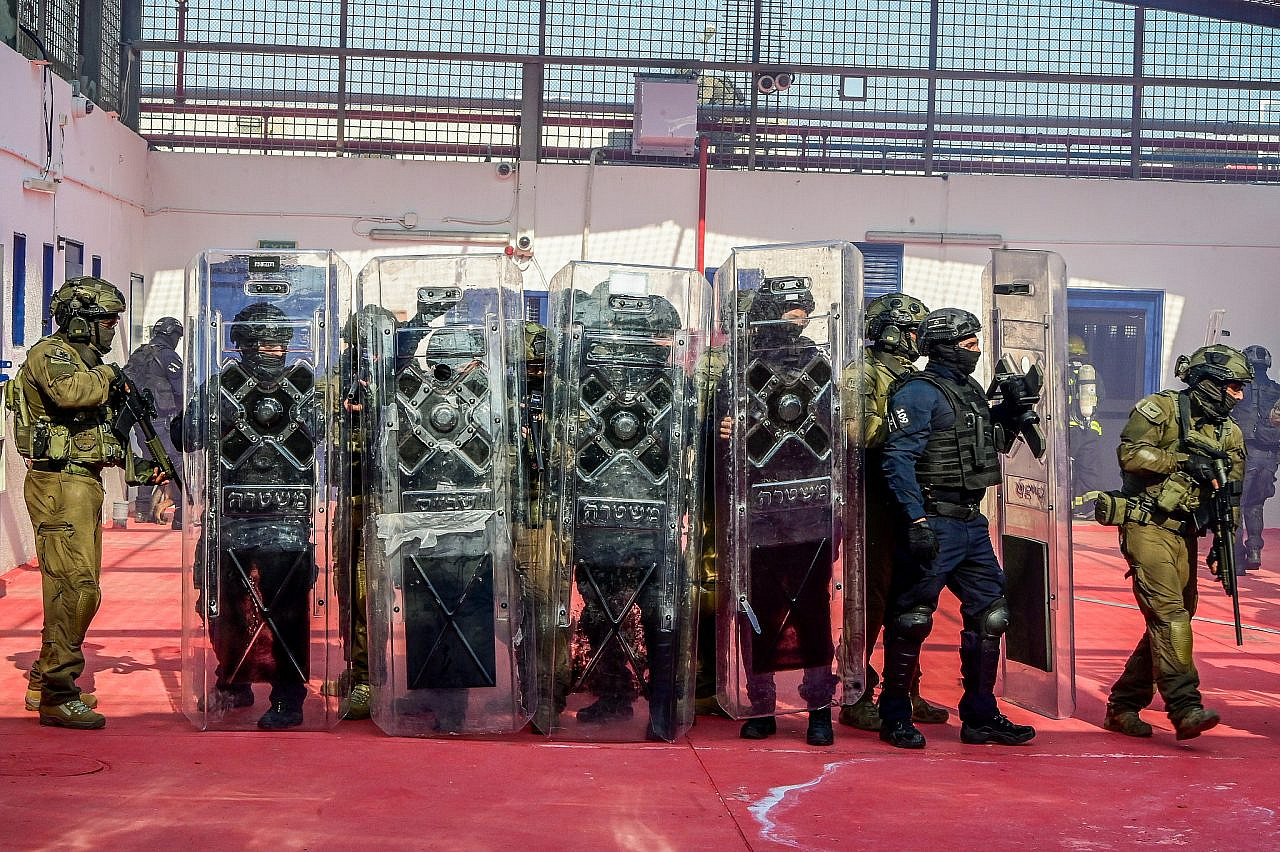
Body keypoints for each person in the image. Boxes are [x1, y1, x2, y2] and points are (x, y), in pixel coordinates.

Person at [4, 277, 167, 728]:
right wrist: (110, 376)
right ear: (80, 322)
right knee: (74, 589)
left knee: (78, 589)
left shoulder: (86, 362)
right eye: (106, 322)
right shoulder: (52, 355)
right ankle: (58, 692)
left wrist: (135, 466)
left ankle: (44, 678)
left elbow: (95, 434)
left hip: (82, 483)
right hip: (58, 485)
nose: (111, 330)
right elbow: (70, 394)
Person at [877, 307, 1037, 749]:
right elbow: (898, 459)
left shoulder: (967, 390)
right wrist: (916, 519)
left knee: (992, 614)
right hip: (934, 518)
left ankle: (981, 716)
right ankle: (893, 715)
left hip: (971, 521)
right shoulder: (917, 392)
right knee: (911, 619)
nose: (977, 352)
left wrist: (1009, 413)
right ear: (943, 346)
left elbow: (985, 445)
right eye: (968, 345)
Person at [182, 302, 321, 730]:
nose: (274, 349)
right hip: (233, 513)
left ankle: (287, 696)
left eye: (281, 341)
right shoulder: (223, 385)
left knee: (288, 611)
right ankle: (235, 678)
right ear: (242, 343)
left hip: (286, 512)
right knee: (222, 603)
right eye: (266, 340)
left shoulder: (302, 384)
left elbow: (327, 434)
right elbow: (189, 435)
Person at [1102, 344, 1249, 740]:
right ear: (1207, 384)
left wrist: (1224, 541)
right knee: (1169, 615)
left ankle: (1123, 705)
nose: (1239, 396)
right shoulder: (1160, 410)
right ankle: (1185, 705)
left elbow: (1230, 493)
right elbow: (1130, 455)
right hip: (1146, 523)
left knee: (1177, 614)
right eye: (1233, 386)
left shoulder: (1228, 431)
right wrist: (1182, 462)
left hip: (1186, 530)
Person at [726, 284, 838, 747]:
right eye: (790, 310)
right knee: (760, 612)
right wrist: (724, 427)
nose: (799, 318)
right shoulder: (739, 367)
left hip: (810, 504)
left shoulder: (821, 365)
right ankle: (762, 703)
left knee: (814, 612)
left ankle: (818, 707)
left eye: (804, 311)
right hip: (758, 507)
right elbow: (715, 428)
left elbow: (838, 427)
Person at [838, 292, 949, 733]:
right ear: (887, 332)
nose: (915, 339)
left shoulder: (917, 379)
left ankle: (906, 692)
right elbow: (857, 432)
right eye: (908, 329)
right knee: (870, 600)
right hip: (873, 501)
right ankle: (855, 693)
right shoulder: (861, 375)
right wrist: (910, 423)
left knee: (913, 600)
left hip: (910, 500)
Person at [124, 316, 184, 527]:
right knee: (176, 463)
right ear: (172, 335)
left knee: (149, 461)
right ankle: (180, 515)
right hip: (162, 420)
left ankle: (142, 511)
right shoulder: (168, 356)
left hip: (141, 421)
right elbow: (181, 391)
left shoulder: (139, 354)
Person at [1232, 345, 1280, 572]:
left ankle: (1237, 559)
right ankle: (1254, 550)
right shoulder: (1277, 391)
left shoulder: (1237, 391)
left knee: (1235, 506)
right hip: (1269, 457)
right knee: (1256, 505)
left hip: (1244, 455)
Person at [1067, 334, 1106, 520]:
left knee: (1067, 468)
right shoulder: (1093, 374)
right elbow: (1102, 398)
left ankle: (1068, 506)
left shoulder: (1060, 373)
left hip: (1068, 430)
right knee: (1089, 469)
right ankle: (1090, 508)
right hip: (1091, 430)